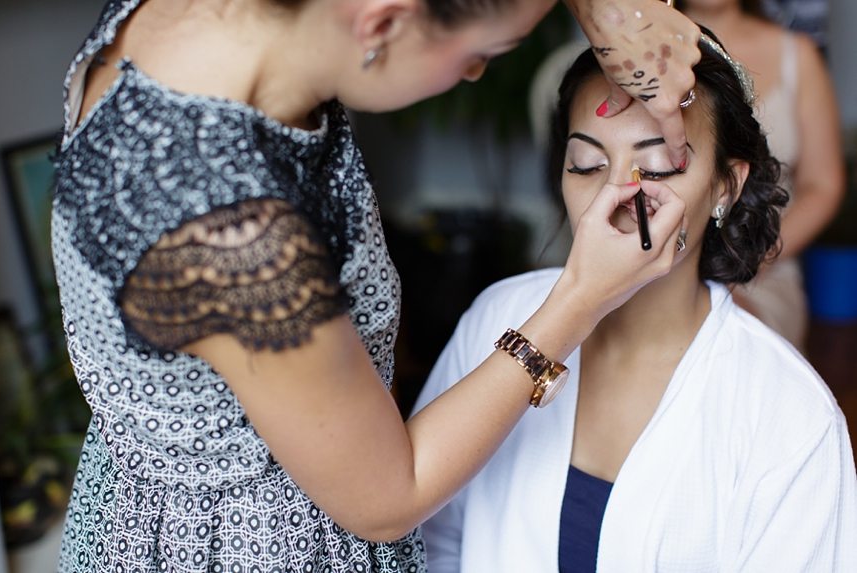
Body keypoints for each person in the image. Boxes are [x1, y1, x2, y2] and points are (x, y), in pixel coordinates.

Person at [52, 0, 703, 570]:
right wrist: (581, 296)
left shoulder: (228, 25)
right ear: (384, 20)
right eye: (484, 53)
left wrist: (607, 8)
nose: (477, 74)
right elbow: (392, 495)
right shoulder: (225, 229)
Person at [415, 33, 857, 572]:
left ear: (725, 187)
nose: (616, 195)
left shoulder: (791, 415)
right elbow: (430, 539)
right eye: (585, 163)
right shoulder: (498, 318)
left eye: (661, 165)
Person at [677, 0, 845, 350]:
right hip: (663, 258)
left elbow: (823, 185)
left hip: (764, 267)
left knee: (728, 334)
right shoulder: (641, 51)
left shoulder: (797, 55)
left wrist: (754, 257)